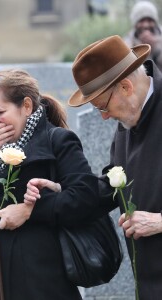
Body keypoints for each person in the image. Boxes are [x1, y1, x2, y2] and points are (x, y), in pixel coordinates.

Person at [0, 69, 102, 299]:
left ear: (26, 106)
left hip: (40, 279)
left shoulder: (57, 140)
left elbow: (85, 197)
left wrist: (30, 210)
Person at [26, 35, 162, 299]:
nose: (103, 116)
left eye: (103, 106)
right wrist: (62, 192)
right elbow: (112, 184)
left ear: (125, 87)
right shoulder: (129, 122)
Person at [123, 1, 162, 71]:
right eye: (141, 21)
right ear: (135, 24)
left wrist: (157, 48)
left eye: (150, 20)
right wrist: (140, 51)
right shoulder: (126, 43)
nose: (146, 25)